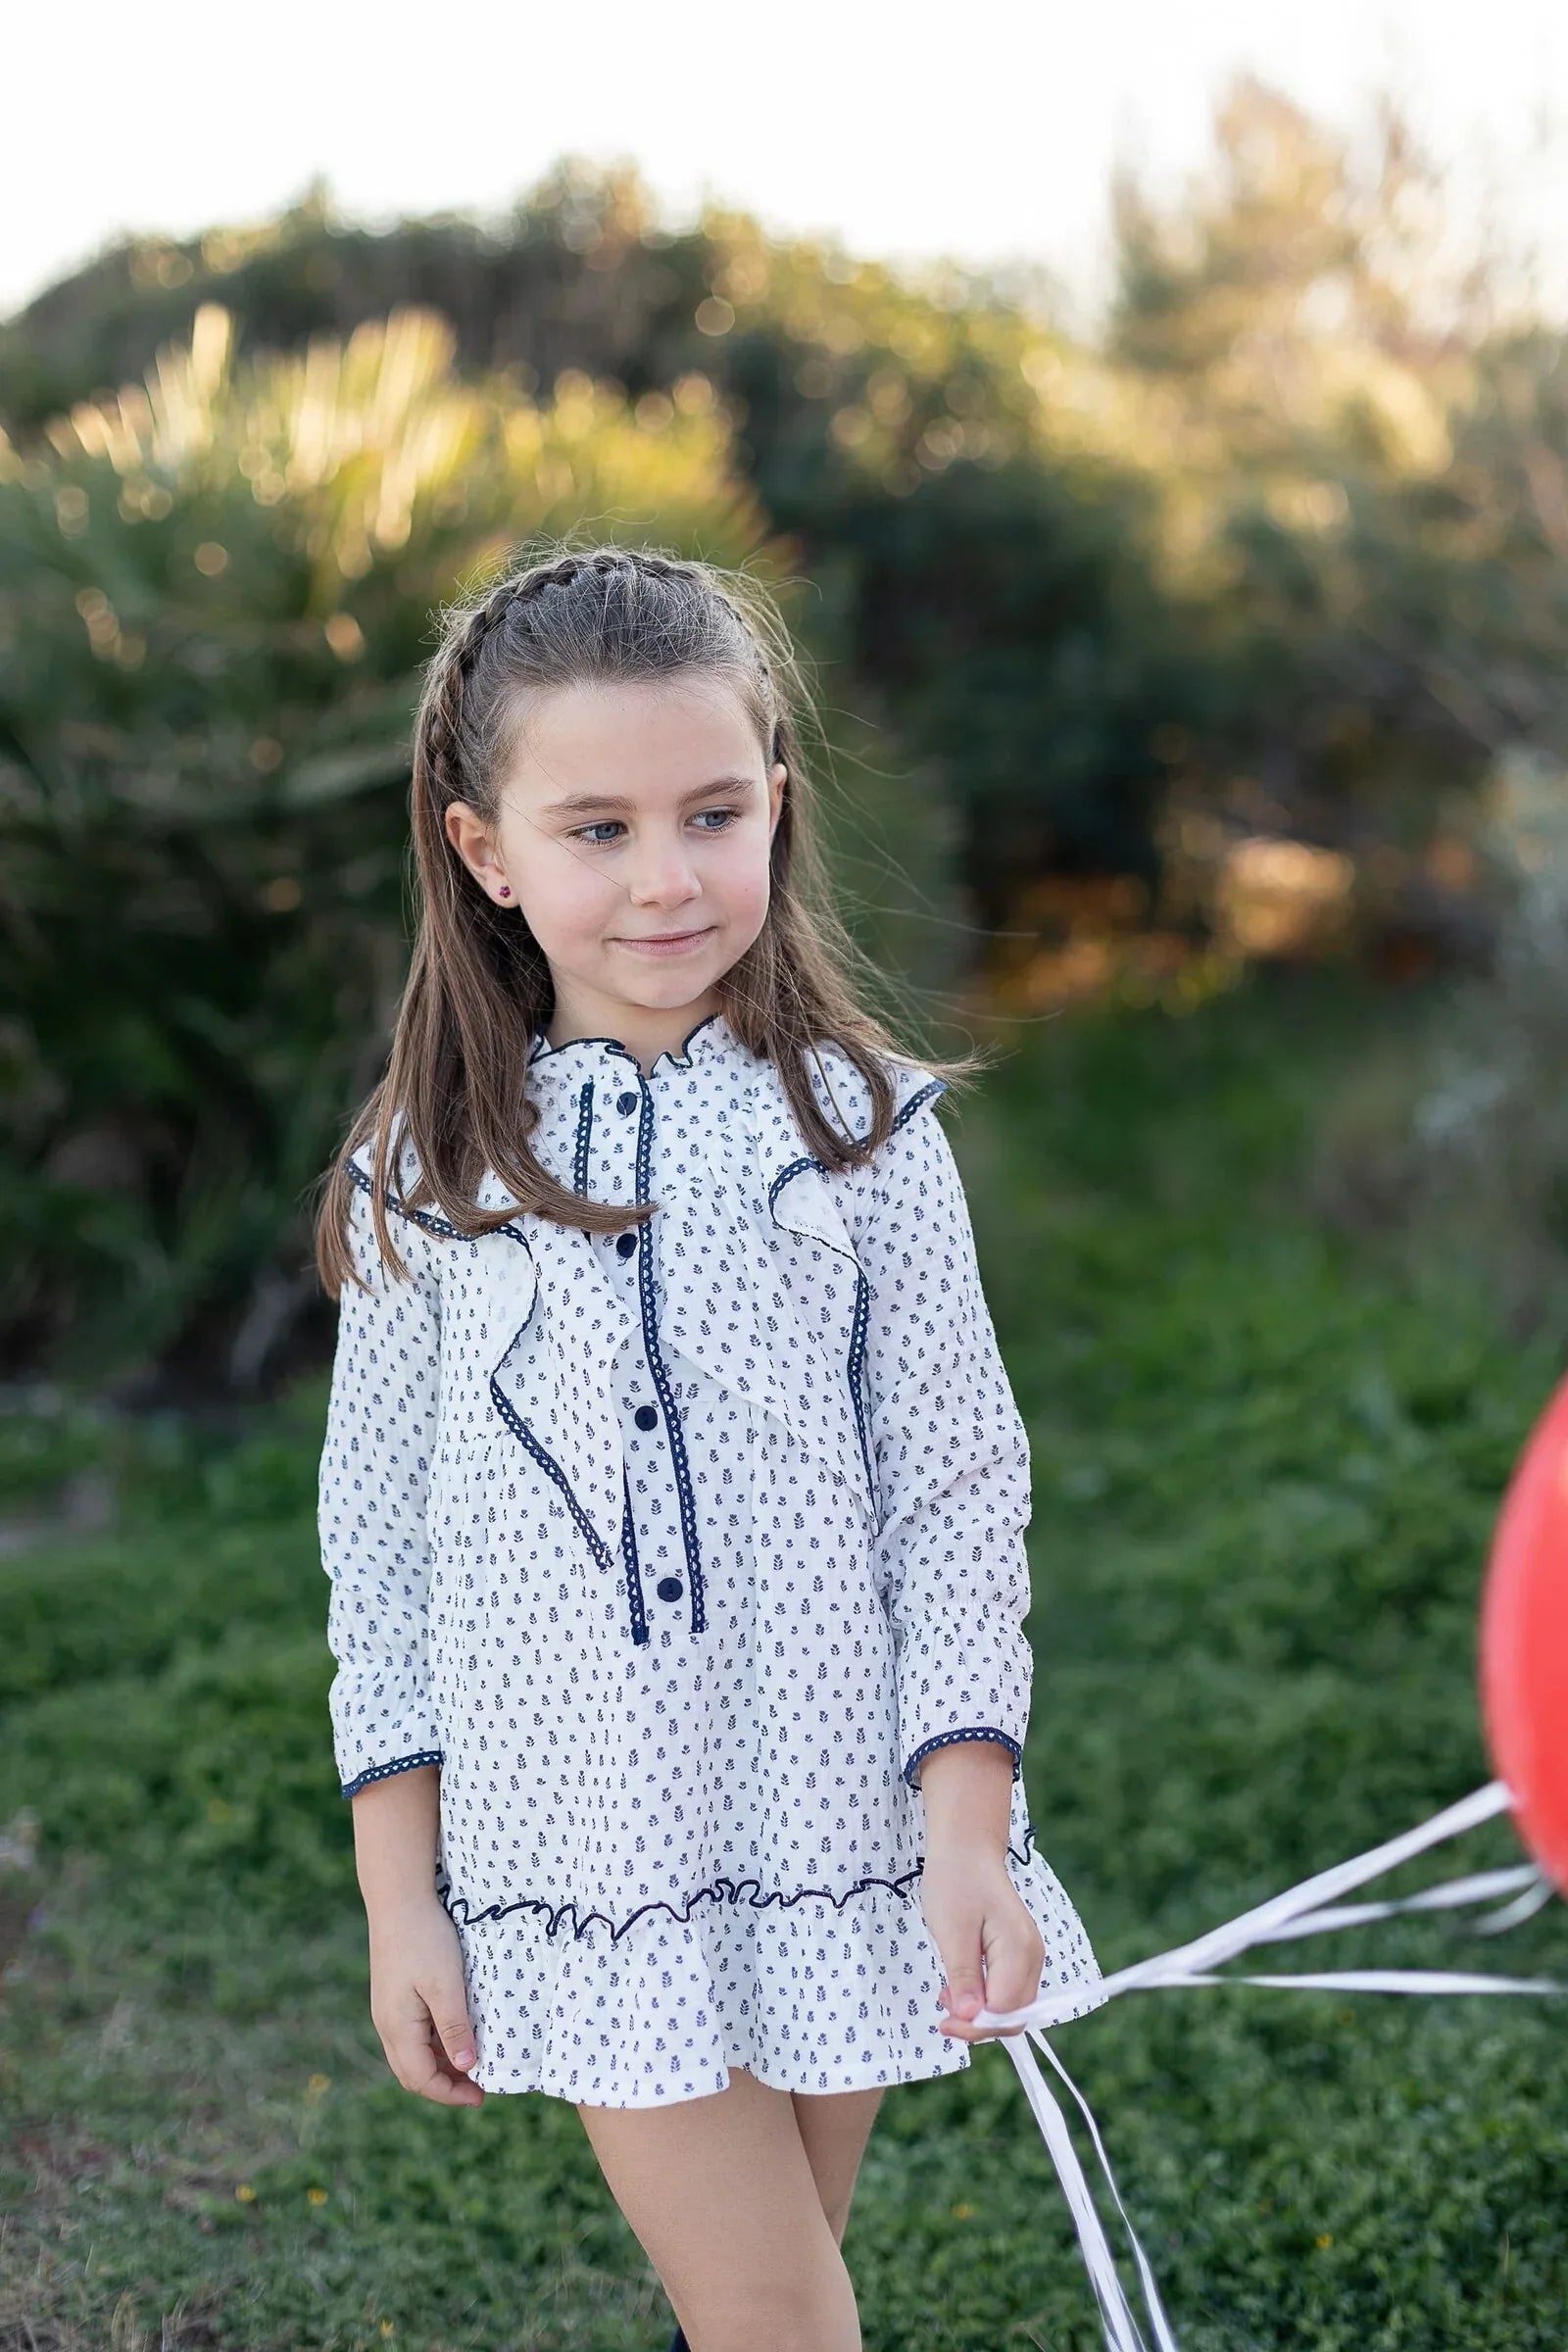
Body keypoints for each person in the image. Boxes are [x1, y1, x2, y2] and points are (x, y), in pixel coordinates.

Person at [313, 539, 1108, 2352]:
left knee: (765, 2306)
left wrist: (967, 1834)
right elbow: (384, 1563)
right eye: (597, 828)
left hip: (846, 1833)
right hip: (584, 1850)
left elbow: (959, 1491)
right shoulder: (425, 1183)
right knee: (781, 2322)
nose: (668, 879)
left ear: (778, 806)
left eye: (712, 812)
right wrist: (397, 1902)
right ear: (483, 849)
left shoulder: (867, 1137)